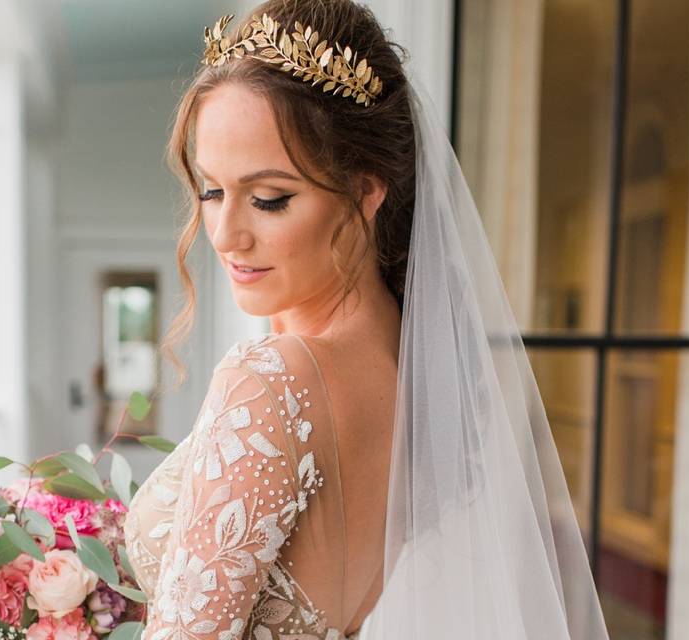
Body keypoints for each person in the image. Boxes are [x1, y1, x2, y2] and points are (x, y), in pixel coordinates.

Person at [122, 1, 609, 639]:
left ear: (365, 193)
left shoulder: (270, 381)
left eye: (270, 199)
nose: (225, 234)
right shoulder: (418, 373)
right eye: (212, 191)